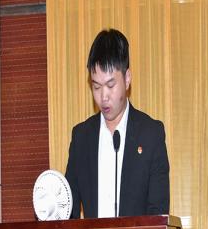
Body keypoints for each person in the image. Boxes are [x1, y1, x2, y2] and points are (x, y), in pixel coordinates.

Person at [65, 29, 170, 218]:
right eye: (96, 87)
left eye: (111, 85)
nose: (103, 96)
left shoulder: (151, 135)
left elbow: (158, 215)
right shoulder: (81, 137)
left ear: (127, 79)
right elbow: (68, 214)